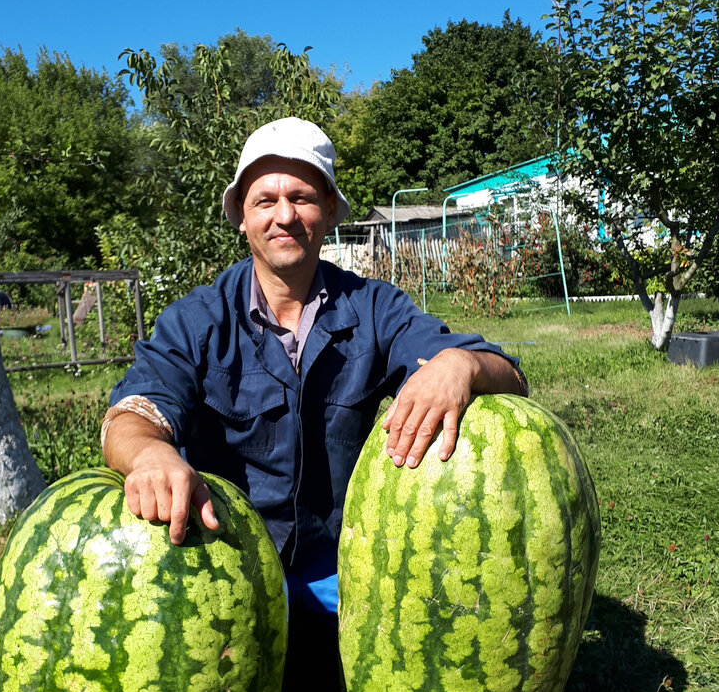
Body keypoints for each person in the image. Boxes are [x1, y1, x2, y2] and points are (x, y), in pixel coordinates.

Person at [101, 117, 527, 623]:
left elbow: (509, 375)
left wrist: (460, 363)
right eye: (265, 201)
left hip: (341, 565)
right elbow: (133, 412)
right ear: (242, 216)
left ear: (327, 210)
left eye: (301, 198)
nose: (284, 216)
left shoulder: (373, 308)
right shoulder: (197, 321)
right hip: (228, 562)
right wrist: (149, 454)